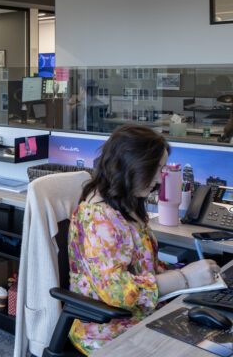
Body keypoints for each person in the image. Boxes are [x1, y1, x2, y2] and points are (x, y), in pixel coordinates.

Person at [67, 124, 220, 354]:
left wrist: (191, 275)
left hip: (144, 314)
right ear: (130, 166)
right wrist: (183, 278)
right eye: (155, 169)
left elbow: (143, 266)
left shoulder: (126, 203)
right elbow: (116, 292)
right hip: (109, 330)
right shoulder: (98, 218)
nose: (159, 179)